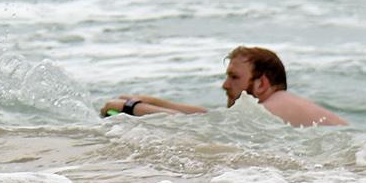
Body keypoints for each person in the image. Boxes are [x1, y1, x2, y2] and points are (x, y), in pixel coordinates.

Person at [103, 46, 345, 126]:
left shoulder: (276, 104)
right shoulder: (276, 104)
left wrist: (132, 107)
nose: (224, 85)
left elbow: (209, 128)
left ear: (261, 83)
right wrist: (151, 101)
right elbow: (212, 117)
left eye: (234, 77)